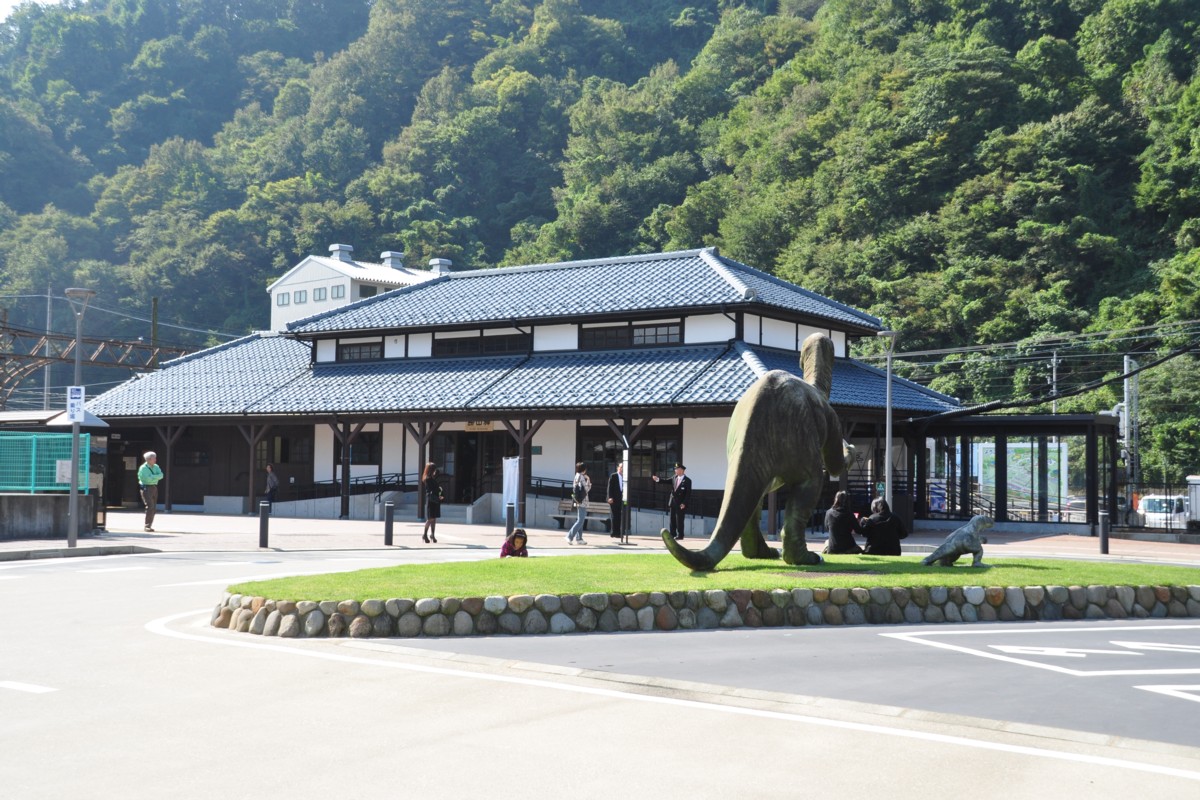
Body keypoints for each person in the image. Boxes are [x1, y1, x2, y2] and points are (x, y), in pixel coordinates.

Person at [652, 462, 691, 540]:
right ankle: (672, 534)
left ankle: (680, 535)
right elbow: (666, 481)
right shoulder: (674, 477)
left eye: (677, 469)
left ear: (682, 470)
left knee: (679, 520)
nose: (675, 470)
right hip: (673, 502)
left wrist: (684, 503)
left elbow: (688, 493)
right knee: (672, 519)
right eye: (675, 469)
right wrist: (658, 479)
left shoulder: (687, 480)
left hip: (680, 503)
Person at [822, 490, 863, 554]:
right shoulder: (849, 514)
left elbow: (827, 527)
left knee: (827, 542)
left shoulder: (828, 513)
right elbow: (858, 530)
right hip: (848, 547)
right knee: (859, 549)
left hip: (833, 548)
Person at [137, 451, 164, 532]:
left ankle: (149, 525)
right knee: (150, 506)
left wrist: (152, 476)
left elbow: (161, 475)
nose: (155, 460)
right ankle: (147, 526)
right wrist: (156, 477)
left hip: (154, 487)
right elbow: (146, 479)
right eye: (154, 458)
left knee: (154, 507)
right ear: (149, 459)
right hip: (146, 488)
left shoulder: (156, 466)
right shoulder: (143, 468)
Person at [566, 462, 590, 546]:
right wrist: (589, 480)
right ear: (583, 469)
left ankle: (579, 538)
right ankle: (569, 536)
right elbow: (586, 489)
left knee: (581, 520)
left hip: (578, 500)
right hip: (582, 501)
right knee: (580, 520)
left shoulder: (576, 476)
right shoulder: (582, 477)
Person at [421, 462, 443, 543]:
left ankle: (432, 534)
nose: (435, 471)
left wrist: (439, 494)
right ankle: (425, 534)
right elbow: (430, 491)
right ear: (431, 470)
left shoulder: (432, 478)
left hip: (435, 499)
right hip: (431, 500)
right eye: (434, 469)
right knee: (430, 519)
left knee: (434, 519)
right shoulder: (427, 479)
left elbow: (436, 489)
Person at [606, 463, 625, 540]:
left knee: (619, 516)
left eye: (623, 468)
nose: (622, 469)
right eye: (621, 467)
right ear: (618, 468)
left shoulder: (625, 477)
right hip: (613, 499)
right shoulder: (613, 476)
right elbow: (609, 487)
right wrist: (609, 497)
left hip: (621, 499)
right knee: (614, 516)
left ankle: (619, 532)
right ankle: (613, 532)